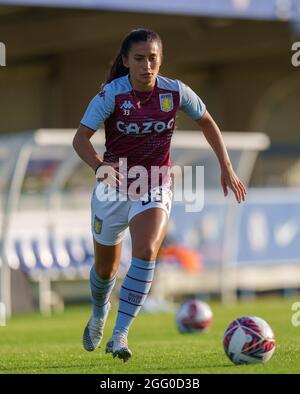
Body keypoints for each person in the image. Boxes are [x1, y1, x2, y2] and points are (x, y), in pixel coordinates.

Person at [72, 28, 247, 362]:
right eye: (139, 58)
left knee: (148, 249)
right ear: (126, 61)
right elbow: (80, 139)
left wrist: (227, 166)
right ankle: (99, 311)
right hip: (112, 189)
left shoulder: (176, 92)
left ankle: (120, 335)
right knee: (105, 272)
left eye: (153, 58)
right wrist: (99, 166)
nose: (147, 65)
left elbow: (208, 122)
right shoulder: (111, 95)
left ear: (161, 59)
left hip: (154, 184)